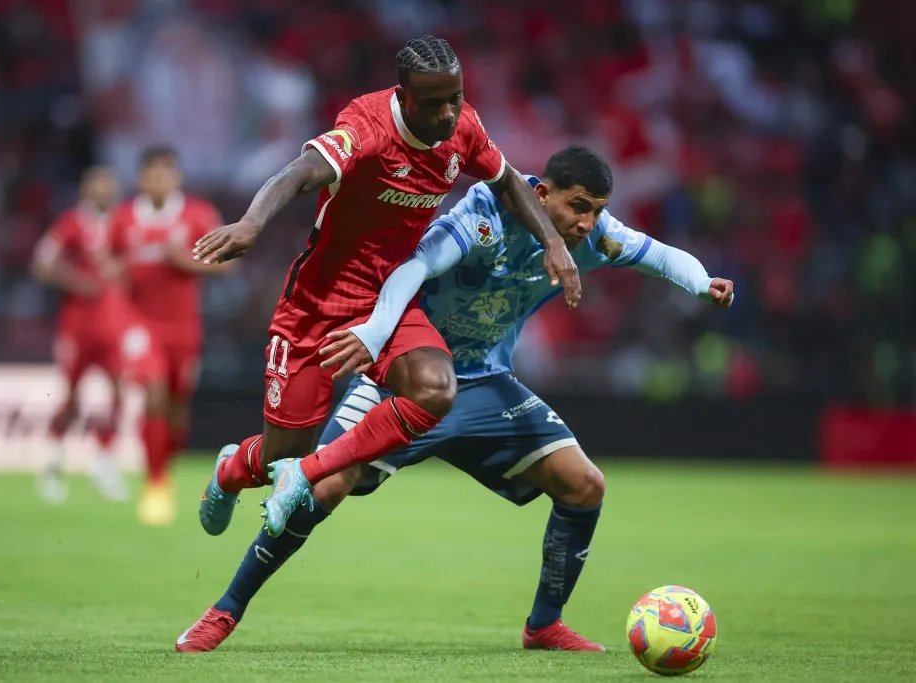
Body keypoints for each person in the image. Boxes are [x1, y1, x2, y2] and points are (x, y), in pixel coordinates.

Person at [175, 146, 734, 653]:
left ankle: (544, 625)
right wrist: (374, 336)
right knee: (321, 488)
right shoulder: (482, 215)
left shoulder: (592, 237)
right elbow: (412, 266)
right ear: (541, 194)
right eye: (578, 206)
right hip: (409, 379)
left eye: (596, 210)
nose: (586, 222)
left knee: (585, 485)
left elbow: (658, 255)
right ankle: (224, 611)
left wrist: (703, 283)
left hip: (486, 385)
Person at [193, 34, 581, 540]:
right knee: (282, 455)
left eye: (456, 98)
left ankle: (311, 471)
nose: (449, 114)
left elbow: (508, 180)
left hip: (388, 301)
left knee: (435, 388)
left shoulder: (464, 129)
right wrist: (252, 222)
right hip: (315, 305)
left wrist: (551, 238)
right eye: (435, 103)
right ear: (402, 96)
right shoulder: (367, 125)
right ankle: (230, 470)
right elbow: (300, 171)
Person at [108, 146, 231, 525]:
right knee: (154, 393)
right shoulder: (124, 218)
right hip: (139, 325)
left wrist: (188, 263)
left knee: (177, 406)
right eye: (153, 172)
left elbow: (228, 264)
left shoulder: (197, 214)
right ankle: (155, 482)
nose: (160, 179)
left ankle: (165, 468)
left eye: (167, 172)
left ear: (176, 176)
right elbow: (109, 265)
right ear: (142, 178)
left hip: (184, 327)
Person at [31, 166, 167, 506]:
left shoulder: (123, 223)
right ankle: (52, 462)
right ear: (85, 188)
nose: (105, 189)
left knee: (119, 390)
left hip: (114, 325)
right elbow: (42, 264)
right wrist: (78, 281)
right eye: (99, 183)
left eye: (110, 184)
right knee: (72, 395)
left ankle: (104, 463)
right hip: (77, 325)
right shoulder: (72, 223)